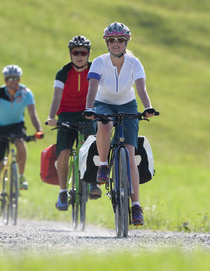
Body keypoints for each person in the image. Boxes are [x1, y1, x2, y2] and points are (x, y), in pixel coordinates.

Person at [83, 22, 156, 226]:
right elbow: (92, 88)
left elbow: (141, 88)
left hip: (128, 104)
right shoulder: (99, 62)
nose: (116, 43)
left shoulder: (134, 63)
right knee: (104, 125)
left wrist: (148, 107)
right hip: (103, 103)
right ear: (107, 42)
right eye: (112, 40)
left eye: (120, 40)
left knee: (130, 154)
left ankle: (136, 206)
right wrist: (90, 108)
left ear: (126, 42)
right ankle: (104, 165)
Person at [0, 65, 44, 217]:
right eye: (10, 79)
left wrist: (39, 129)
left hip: (17, 126)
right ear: (5, 80)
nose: (13, 81)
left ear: (19, 79)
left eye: (16, 78)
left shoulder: (26, 93)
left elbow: (32, 114)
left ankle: (21, 177)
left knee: (20, 143)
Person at [46, 36, 100, 211]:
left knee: (91, 145)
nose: (79, 56)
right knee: (64, 153)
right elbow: (56, 96)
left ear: (88, 54)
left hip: (87, 113)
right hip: (66, 115)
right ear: (70, 54)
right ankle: (62, 192)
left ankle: (92, 182)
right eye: (75, 52)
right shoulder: (63, 72)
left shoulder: (94, 69)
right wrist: (51, 116)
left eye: (83, 53)